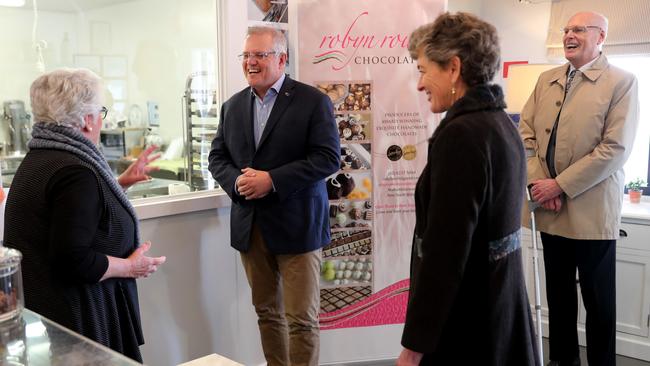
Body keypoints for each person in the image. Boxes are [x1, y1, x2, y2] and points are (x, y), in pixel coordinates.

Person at [397, 12, 539, 366]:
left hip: (466, 322)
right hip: (497, 307)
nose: (419, 84)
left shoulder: (461, 136)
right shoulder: (501, 124)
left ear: (454, 69)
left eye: (423, 70)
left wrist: (415, 345)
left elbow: (446, 251)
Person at [4, 68, 166, 362]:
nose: (101, 120)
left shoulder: (43, 156)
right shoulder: (75, 172)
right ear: (87, 119)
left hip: (51, 312)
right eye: (101, 111)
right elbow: (72, 260)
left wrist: (118, 185)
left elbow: (73, 217)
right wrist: (130, 267)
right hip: (78, 319)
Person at [208, 26, 339, 366]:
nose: (251, 62)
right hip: (251, 228)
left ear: (282, 59)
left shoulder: (313, 101)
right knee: (267, 314)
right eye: (247, 55)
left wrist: (272, 180)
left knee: (301, 320)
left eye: (260, 55)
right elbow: (217, 158)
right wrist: (237, 181)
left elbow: (327, 158)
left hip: (298, 228)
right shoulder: (232, 106)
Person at [519, 11, 639, 366]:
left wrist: (559, 185)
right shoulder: (546, 79)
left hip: (591, 209)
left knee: (598, 300)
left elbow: (615, 149)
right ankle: (563, 361)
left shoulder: (622, 82)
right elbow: (524, 135)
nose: (569, 35)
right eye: (566, 29)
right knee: (558, 297)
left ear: (600, 36)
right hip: (548, 207)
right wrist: (541, 185)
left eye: (579, 30)